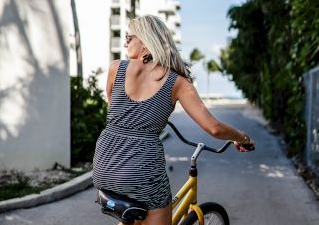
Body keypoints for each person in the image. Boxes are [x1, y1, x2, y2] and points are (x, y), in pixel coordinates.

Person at [92, 15, 255, 225]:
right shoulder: (178, 83)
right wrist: (241, 137)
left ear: (146, 40)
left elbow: (114, 112)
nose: (125, 42)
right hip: (140, 169)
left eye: (129, 37)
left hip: (104, 165)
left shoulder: (116, 68)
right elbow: (213, 128)